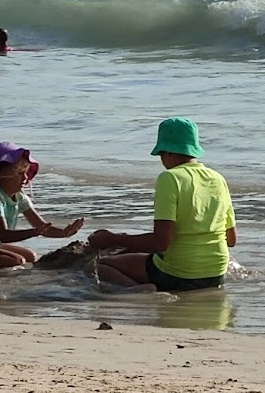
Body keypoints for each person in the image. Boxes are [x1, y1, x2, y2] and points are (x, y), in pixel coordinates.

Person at [87, 118, 235, 291]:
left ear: (168, 152)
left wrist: (111, 239)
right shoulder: (218, 178)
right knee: (150, 257)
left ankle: (139, 290)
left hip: (179, 275)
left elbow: (161, 242)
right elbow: (231, 239)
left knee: (102, 267)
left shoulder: (170, 177)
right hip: (216, 274)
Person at [0, 143, 84, 269]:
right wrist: (33, 233)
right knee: (17, 261)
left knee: (30, 256)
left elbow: (42, 227)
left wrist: (64, 233)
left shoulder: (20, 197)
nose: (25, 178)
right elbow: (4, 235)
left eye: (26, 172)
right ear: (3, 175)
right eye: (20, 173)